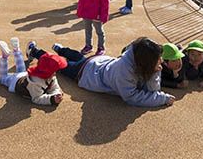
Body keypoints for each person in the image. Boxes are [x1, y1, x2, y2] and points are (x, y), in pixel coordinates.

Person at [26, 37, 175, 107]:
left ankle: (60, 49)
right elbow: (132, 98)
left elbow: (153, 90)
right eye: (158, 59)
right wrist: (162, 99)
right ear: (146, 62)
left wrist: (155, 73)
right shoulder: (125, 73)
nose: (160, 61)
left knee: (77, 56)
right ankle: (35, 51)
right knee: (56, 63)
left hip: (98, 62)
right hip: (86, 74)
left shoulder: (137, 56)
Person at [0, 37, 66, 106]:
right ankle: (4, 57)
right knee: (2, 78)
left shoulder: (51, 76)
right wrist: (51, 99)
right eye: (54, 70)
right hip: (14, 83)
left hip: (24, 75)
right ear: (48, 72)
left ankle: (16, 50)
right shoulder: (35, 82)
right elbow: (36, 98)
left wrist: (56, 94)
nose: (55, 73)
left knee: (21, 70)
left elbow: (54, 87)